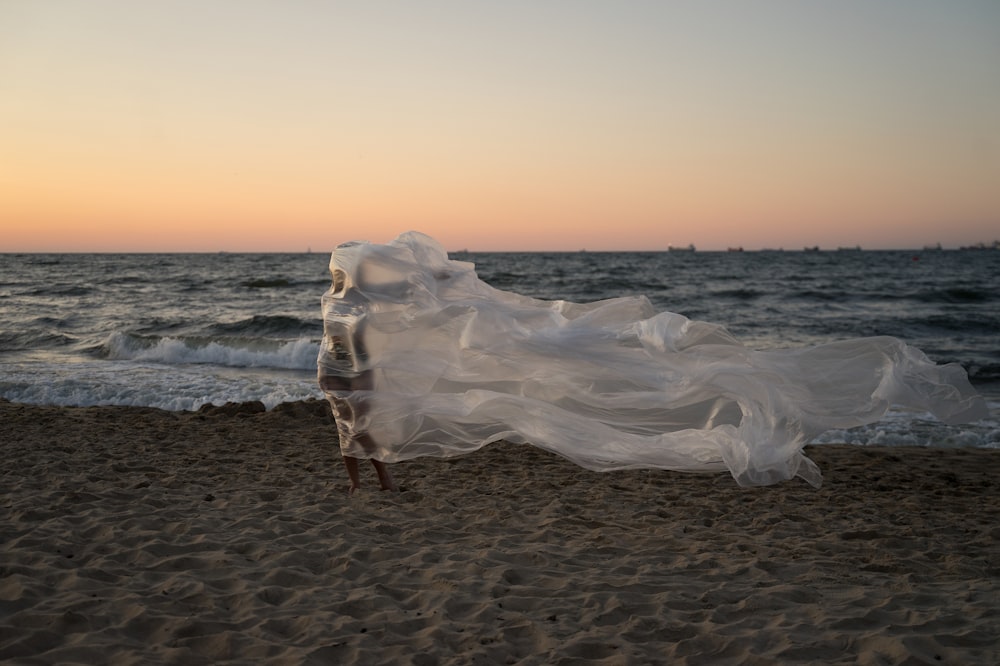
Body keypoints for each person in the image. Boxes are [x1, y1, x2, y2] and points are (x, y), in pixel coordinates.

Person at [318, 266, 398, 494]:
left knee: (362, 427)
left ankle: (383, 474)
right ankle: (356, 482)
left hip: (362, 368)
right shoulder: (331, 301)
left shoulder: (368, 301)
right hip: (336, 368)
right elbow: (330, 339)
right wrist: (324, 371)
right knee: (345, 428)